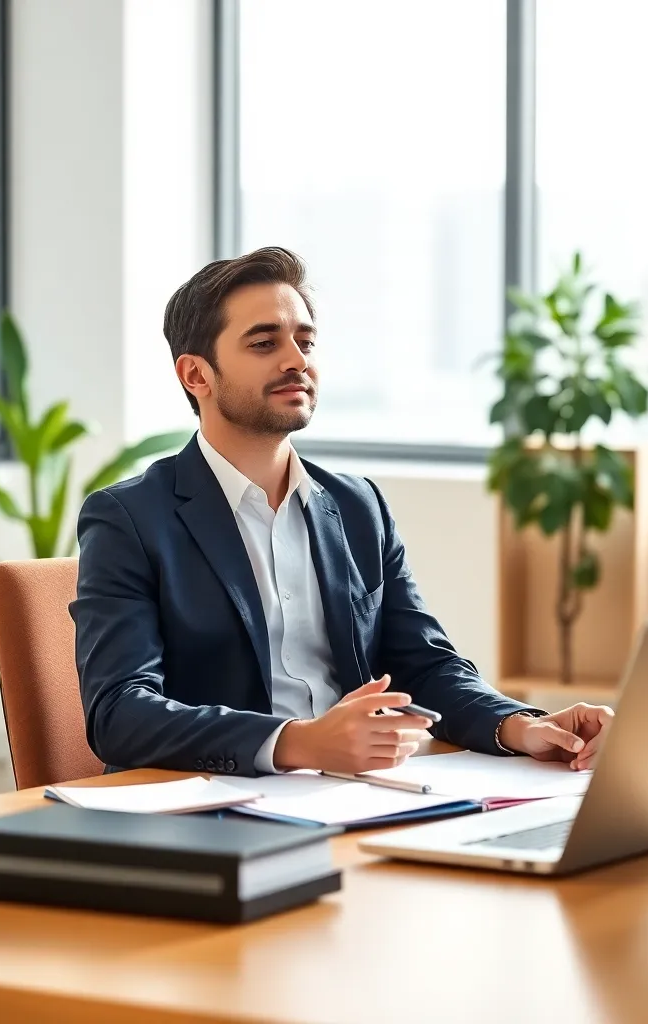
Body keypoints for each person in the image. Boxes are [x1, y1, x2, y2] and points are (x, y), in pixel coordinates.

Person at [70, 247, 614, 777]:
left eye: (305, 342)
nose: (296, 361)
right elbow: (120, 711)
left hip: (357, 793)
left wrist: (522, 726)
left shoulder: (358, 506)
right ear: (196, 375)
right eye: (264, 343)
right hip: (217, 806)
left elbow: (425, 664)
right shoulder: (130, 518)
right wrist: (298, 743)